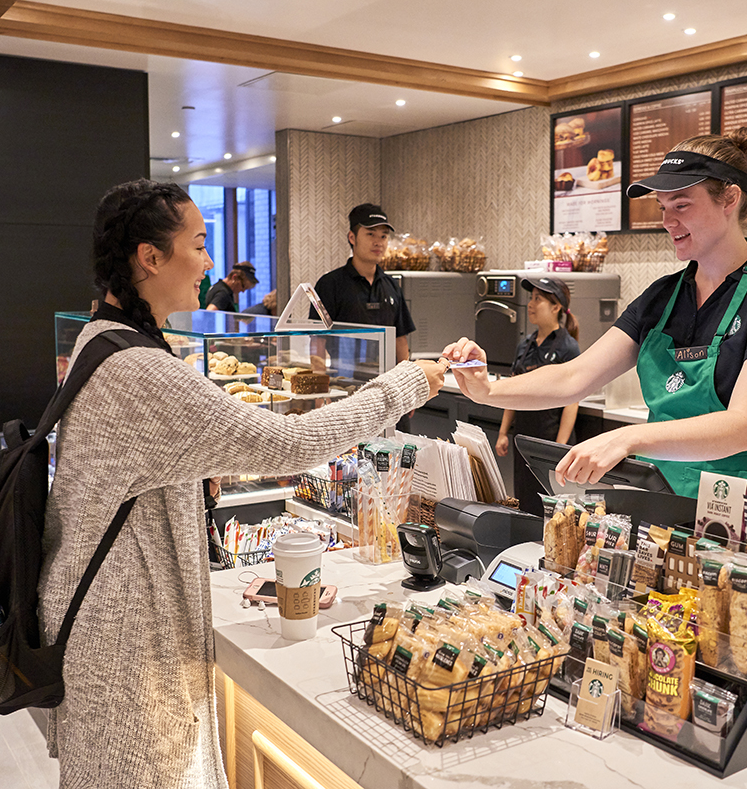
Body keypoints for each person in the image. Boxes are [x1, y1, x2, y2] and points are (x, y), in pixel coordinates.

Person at [38, 179, 447, 788]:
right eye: (198, 245)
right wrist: (406, 384)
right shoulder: (140, 370)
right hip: (125, 658)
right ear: (149, 258)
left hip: (103, 633)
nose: (209, 263)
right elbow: (291, 444)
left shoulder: (103, 337)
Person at [444, 127, 747, 499]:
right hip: (665, 496)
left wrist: (628, 438)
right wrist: (489, 389)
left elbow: (743, 426)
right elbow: (576, 376)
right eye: (663, 208)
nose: (668, 222)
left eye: (682, 205)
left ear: (729, 198)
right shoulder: (664, 297)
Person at [495, 276, 581, 515]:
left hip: (550, 437)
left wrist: (560, 447)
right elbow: (514, 391)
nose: (530, 304)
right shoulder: (525, 346)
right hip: (523, 437)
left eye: (538, 299)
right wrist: (503, 433)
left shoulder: (568, 347)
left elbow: (572, 402)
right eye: (531, 298)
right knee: (524, 499)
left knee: (553, 506)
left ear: (556, 307)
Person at [312, 203, 415, 363]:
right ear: (352, 237)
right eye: (370, 234)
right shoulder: (329, 284)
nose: (378, 242)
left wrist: (408, 379)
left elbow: (400, 338)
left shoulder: (392, 285)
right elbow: (318, 340)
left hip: (388, 381)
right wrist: (318, 382)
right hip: (344, 380)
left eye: (383, 236)